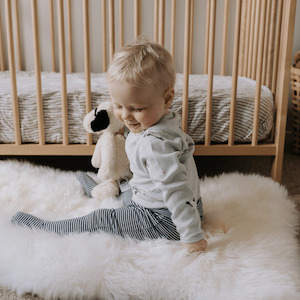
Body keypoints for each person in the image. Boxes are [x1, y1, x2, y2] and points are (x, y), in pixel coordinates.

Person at [11, 37, 207, 253]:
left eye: (137, 108)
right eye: (118, 105)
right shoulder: (163, 120)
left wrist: (192, 236)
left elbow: (177, 191)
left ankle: (48, 228)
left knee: (102, 218)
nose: (125, 116)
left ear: (167, 98)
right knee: (127, 187)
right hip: (178, 203)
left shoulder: (156, 145)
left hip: (165, 219)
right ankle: (101, 190)